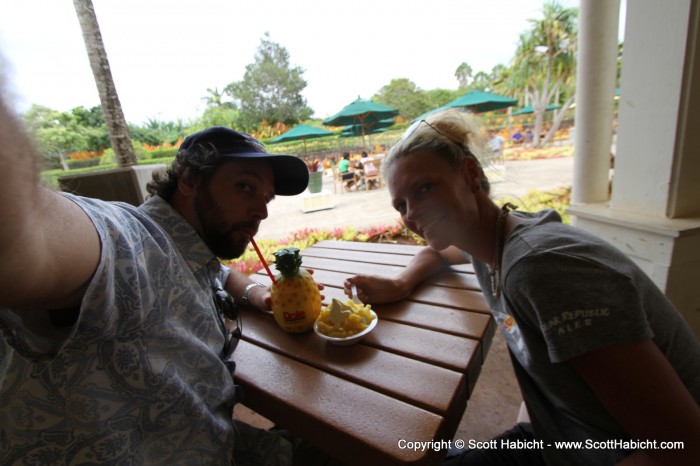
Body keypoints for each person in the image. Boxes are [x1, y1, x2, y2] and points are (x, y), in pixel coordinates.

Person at [344, 109, 700, 465]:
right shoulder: (491, 241)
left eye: (425, 188)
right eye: (401, 204)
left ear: (469, 174)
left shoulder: (543, 270)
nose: (411, 214)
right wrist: (400, 283)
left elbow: (681, 447)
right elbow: (440, 254)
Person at [0, 73, 322, 464]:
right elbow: (31, 237)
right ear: (188, 178)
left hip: (214, 438)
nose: (262, 210)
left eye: (267, 197)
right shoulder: (132, 241)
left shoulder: (190, 251)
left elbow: (217, 273)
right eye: (245, 187)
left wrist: (257, 294)